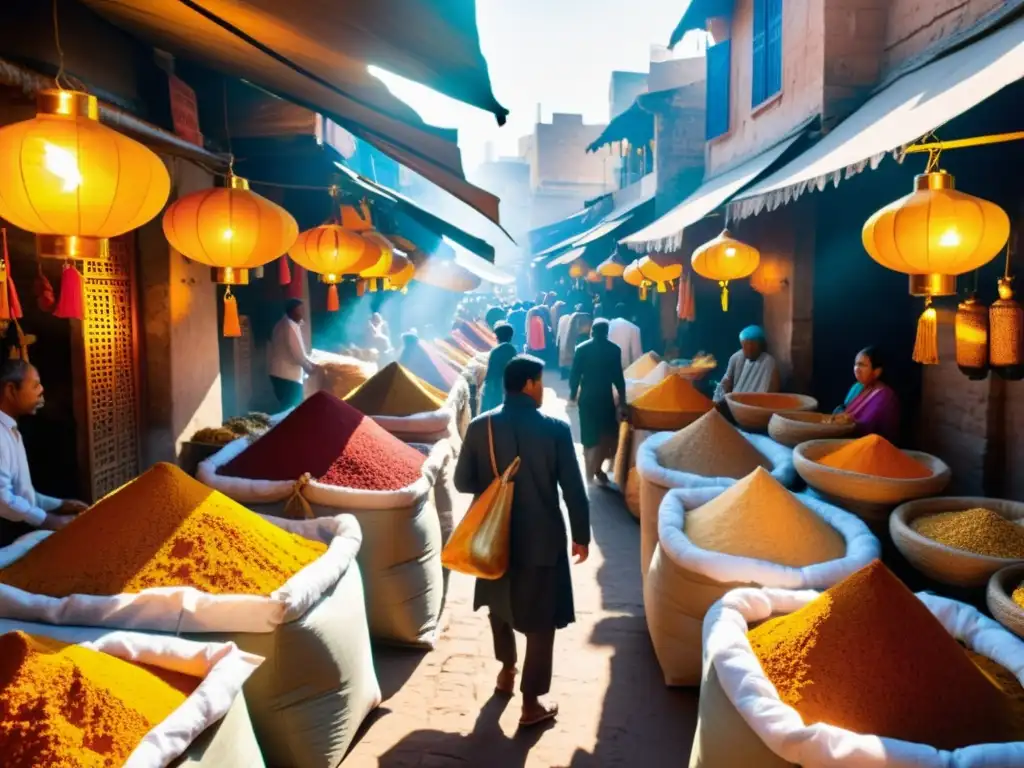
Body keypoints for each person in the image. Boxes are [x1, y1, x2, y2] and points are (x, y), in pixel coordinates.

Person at [454, 355, 590, 728]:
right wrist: (581, 536)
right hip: (542, 538)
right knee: (541, 621)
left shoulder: (481, 427)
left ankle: (506, 670)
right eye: (541, 382)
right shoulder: (556, 429)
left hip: (492, 536)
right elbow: (574, 491)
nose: (543, 388)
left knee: (499, 606)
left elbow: (462, 482)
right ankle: (531, 704)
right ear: (530, 384)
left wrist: (493, 484)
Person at [0, 360, 87, 546]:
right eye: (35, 385)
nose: (41, 390)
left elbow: (23, 493)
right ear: (11, 390)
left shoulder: (11, 430)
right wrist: (47, 520)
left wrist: (59, 505)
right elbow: (2, 499)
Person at [569, 319, 626, 485]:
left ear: (592, 332)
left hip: (587, 398)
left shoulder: (581, 349)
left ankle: (589, 469)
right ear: (606, 333)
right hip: (605, 398)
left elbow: (575, 374)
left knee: (588, 433)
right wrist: (622, 401)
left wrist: (573, 393)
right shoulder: (614, 350)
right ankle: (598, 468)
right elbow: (618, 378)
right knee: (606, 433)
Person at [833, 346, 901, 443]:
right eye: (855, 364)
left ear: (877, 372)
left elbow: (870, 428)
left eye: (862, 365)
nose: (856, 369)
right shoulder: (857, 387)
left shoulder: (885, 396)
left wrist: (851, 421)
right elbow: (844, 408)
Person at [268, 299, 318, 409]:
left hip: (279, 373)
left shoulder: (281, 324)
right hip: (287, 375)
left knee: (287, 408)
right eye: (300, 310)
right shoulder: (289, 326)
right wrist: (309, 369)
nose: (302, 313)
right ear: (291, 312)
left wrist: (309, 363)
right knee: (291, 409)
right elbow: (297, 354)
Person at [713, 325, 780, 404]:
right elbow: (727, 380)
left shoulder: (769, 362)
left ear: (760, 345)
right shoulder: (736, 358)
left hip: (756, 406)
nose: (749, 350)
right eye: (745, 346)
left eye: (753, 346)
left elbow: (773, 391)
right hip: (735, 404)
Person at [480, 323, 518, 413]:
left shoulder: (496, 350)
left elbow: (490, 372)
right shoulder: (511, 349)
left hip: (495, 385)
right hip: (505, 385)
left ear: (497, 337)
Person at [608, 303, 642, 370]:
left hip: (606, 369)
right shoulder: (634, 328)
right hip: (625, 371)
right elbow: (637, 356)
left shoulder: (606, 326)